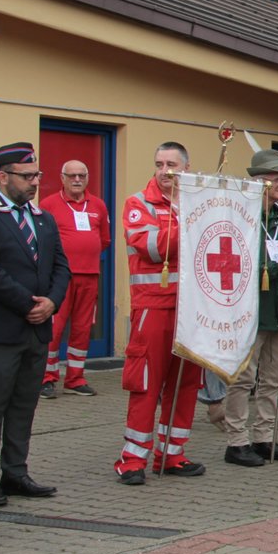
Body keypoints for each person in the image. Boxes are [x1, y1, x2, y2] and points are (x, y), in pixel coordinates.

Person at [0, 142, 71, 506]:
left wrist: (52, 302)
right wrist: (28, 304)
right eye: (26, 176)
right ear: (3, 176)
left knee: (24, 404)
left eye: (37, 176)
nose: (34, 183)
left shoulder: (42, 218)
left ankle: (16, 471)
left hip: (36, 329)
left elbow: (62, 266)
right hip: (0, 330)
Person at [115, 142, 205, 485]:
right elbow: (152, 246)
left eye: (171, 164)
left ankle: (171, 453)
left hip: (192, 309)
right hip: (153, 307)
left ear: (186, 168)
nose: (164, 170)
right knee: (146, 385)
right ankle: (132, 459)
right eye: (158, 163)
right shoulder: (139, 203)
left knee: (185, 384)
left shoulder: (197, 203)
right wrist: (197, 223)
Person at [215, 149, 278, 467]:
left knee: (274, 380)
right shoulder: (242, 217)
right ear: (259, 181)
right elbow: (235, 266)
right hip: (251, 312)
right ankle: (237, 441)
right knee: (243, 379)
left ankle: (264, 437)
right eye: (277, 178)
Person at [38, 160, 109, 398]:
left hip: (89, 275)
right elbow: (41, 240)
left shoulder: (98, 205)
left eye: (82, 175)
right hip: (59, 277)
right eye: (72, 176)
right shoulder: (48, 204)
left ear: (87, 178)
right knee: (54, 328)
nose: (77, 180)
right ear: (62, 178)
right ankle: (46, 378)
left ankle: (75, 378)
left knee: (81, 328)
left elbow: (105, 239)